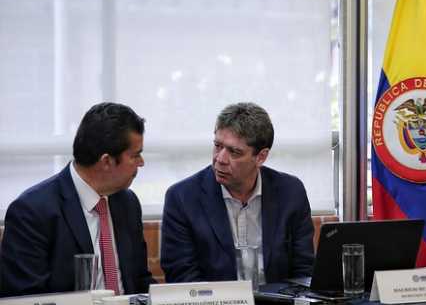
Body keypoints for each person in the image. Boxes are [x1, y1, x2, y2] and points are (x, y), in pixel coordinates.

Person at [0, 103, 155, 297]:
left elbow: (140, 282)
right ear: (106, 161)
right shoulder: (32, 212)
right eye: (135, 155)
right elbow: (26, 297)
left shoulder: (128, 203)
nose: (142, 162)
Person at [161, 102, 314, 284]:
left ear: (261, 157)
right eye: (218, 146)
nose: (220, 159)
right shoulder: (182, 198)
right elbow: (183, 279)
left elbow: (304, 271)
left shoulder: (291, 193)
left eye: (234, 152)